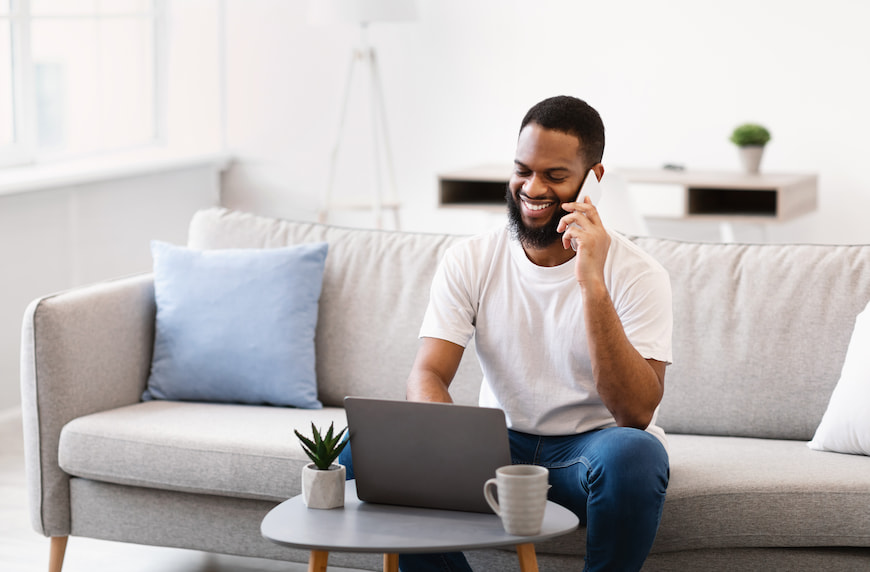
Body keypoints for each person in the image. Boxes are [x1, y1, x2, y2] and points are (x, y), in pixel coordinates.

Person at [342, 95, 672, 572]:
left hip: (590, 453)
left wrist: (592, 283)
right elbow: (427, 374)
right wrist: (445, 443)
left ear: (593, 179)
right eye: (522, 170)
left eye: (554, 176)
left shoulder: (638, 274)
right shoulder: (471, 258)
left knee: (636, 455)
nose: (532, 188)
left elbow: (635, 412)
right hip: (498, 447)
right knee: (361, 453)